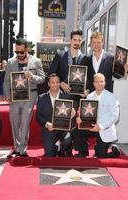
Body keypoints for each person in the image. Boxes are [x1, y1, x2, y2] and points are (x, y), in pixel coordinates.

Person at [48, 29, 89, 157]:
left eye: (79, 40)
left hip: (77, 98)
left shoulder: (85, 58)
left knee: (75, 124)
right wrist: (60, 83)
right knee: (63, 123)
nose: (77, 42)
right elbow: (51, 73)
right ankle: (65, 147)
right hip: (63, 97)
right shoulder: (60, 54)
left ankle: (73, 148)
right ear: (70, 40)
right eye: (74, 39)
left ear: (81, 41)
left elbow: (89, 78)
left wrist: (86, 91)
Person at [4, 38, 45, 158]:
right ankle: (16, 147)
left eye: (21, 52)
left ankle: (22, 149)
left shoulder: (36, 61)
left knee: (25, 123)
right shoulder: (11, 62)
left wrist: (32, 76)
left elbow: (42, 78)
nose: (19, 55)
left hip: (30, 97)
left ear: (26, 49)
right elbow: (6, 82)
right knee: (15, 123)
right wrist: (7, 95)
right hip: (14, 97)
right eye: (17, 52)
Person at [76, 73, 120, 158]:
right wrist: (80, 119)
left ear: (105, 82)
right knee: (76, 131)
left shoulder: (111, 97)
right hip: (90, 126)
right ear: (93, 83)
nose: (99, 84)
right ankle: (83, 152)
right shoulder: (89, 96)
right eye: (97, 82)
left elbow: (115, 116)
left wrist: (100, 126)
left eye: (101, 81)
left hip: (103, 128)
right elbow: (85, 113)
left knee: (101, 155)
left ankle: (114, 150)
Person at [36, 73, 75, 157]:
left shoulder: (66, 96)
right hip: (49, 128)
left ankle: (62, 150)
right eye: (53, 82)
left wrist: (73, 112)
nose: (55, 84)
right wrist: (47, 124)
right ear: (48, 84)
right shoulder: (42, 97)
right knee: (49, 154)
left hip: (63, 128)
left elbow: (73, 110)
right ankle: (56, 146)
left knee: (68, 140)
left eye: (57, 82)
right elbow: (38, 116)